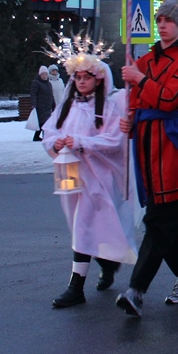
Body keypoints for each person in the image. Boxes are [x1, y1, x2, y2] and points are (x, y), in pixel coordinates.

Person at [116, 0, 178, 316]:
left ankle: (136, 289)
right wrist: (129, 119)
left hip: (173, 147)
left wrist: (141, 81)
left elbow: (170, 99)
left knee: (158, 221)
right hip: (147, 148)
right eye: (159, 19)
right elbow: (136, 100)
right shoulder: (146, 59)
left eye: (168, 19)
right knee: (166, 222)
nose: (163, 24)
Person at [43, 53, 136, 308]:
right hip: (71, 174)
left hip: (99, 178)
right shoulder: (67, 107)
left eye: (87, 78)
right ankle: (107, 263)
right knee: (80, 226)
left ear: (98, 79)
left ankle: (76, 286)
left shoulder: (108, 108)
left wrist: (83, 142)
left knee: (84, 225)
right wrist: (56, 142)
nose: (82, 82)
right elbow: (49, 131)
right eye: (78, 78)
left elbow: (115, 140)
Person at [30, 65, 55, 142]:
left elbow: (51, 95)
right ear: (40, 75)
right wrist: (34, 104)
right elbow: (33, 94)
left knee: (45, 122)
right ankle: (42, 136)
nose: (44, 76)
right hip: (40, 106)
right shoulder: (36, 83)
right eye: (43, 74)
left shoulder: (49, 84)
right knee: (43, 122)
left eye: (46, 74)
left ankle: (39, 136)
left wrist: (54, 105)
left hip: (47, 106)